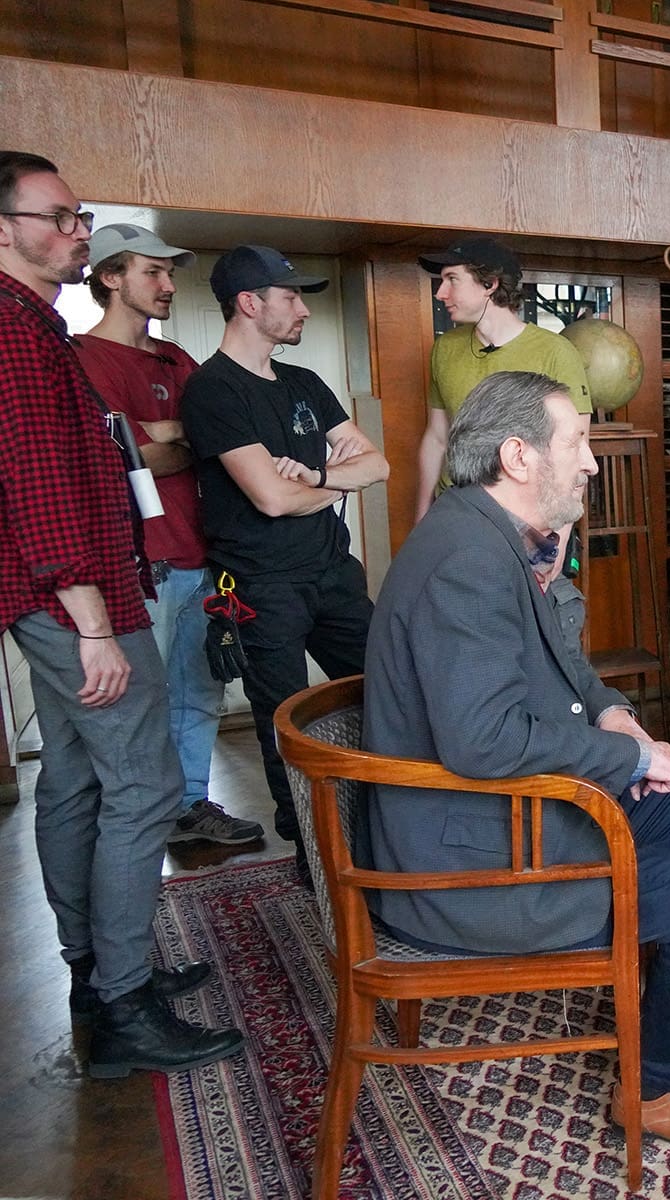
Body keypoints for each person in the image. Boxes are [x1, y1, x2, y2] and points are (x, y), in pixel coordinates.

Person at [364, 370, 670, 1153]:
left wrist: (610, 713)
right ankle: (656, 1090)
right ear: (518, 456)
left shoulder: (485, 534)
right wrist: (626, 756)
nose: (592, 462)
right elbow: (483, 739)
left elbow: (555, 662)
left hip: (500, 820)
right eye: (578, 443)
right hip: (473, 869)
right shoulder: (468, 559)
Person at [0, 150, 243, 1075]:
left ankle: (97, 975)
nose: (78, 232)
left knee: (75, 780)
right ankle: (122, 1003)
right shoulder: (16, 332)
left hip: (76, 594)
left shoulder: (36, 326)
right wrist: (93, 623)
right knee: (142, 786)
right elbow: (38, 485)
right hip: (78, 602)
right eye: (60, 218)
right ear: (4, 231)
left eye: (80, 218)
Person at [180, 244, 389, 863]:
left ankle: (383, 833)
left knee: (388, 686)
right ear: (250, 303)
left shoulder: (303, 383)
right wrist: (333, 483)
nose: (303, 309)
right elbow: (270, 499)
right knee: (285, 725)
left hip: (334, 574)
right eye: (291, 296)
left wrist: (318, 478)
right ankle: (312, 856)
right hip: (261, 588)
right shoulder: (213, 390)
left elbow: (378, 464)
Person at [72, 223, 264, 847]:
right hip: (138, 565)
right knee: (137, 704)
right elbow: (120, 460)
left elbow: (216, 437)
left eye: (169, 273)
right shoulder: (82, 358)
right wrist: (170, 439)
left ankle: (188, 808)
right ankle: (137, 829)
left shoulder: (175, 358)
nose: (168, 285)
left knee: (199, 691)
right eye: (151, 272)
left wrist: (161, 434)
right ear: (110, 277)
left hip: (201, 554)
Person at [413, 236, 592, 524]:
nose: (440, 293)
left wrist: (556, 538)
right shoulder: (444, 349)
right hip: (455, 510)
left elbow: (574, 454)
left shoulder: (556, 352)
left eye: (452, 279)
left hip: (526, 517)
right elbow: (437, 437)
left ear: (490, 284)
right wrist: (422, 516)